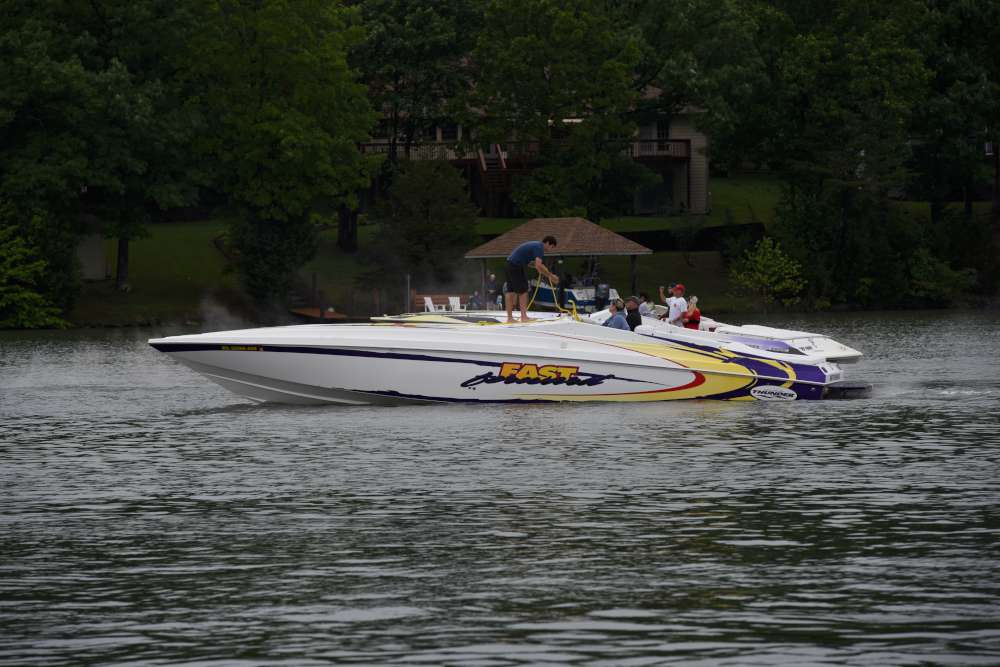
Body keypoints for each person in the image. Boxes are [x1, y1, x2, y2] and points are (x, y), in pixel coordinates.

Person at [505, 236, 559, 323]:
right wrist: (551, 276)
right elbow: (538, 265)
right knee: (523, 291)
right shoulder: (540, 248)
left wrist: (541, 269)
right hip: (516, 266)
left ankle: (510, 318)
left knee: (510, 292)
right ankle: (524, 317)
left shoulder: (535, 245)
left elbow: (532, 264)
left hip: (509, 264)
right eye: (552, 247)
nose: (550, 250)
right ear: (547, 243)